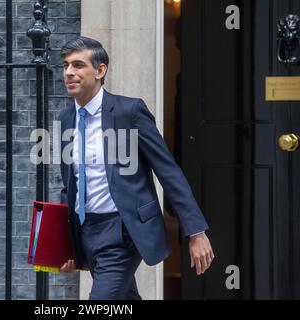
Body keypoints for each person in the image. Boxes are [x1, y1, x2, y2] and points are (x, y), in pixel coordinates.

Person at [57, 36, 214, 300]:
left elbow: (168, 171)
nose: (69, 72)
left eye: (78, 65)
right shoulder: (66, 118)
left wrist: (196, 232)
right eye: (65, 66)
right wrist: (64, 243)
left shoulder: (128, 111)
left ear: (100, 70)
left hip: (123, 231)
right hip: (86, 231)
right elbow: (69, 184)